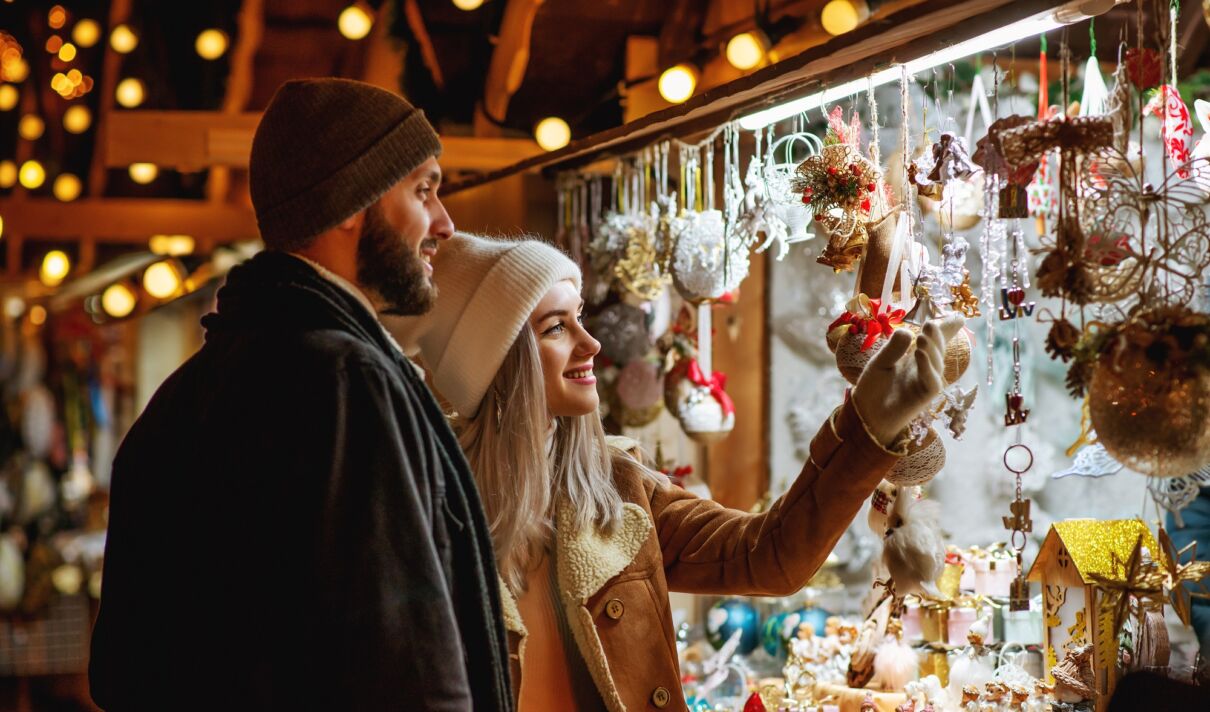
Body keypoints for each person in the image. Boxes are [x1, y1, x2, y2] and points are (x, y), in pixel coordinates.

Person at [391, 233, 963, 712]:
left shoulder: (618, 488)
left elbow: (769, 556)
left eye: (581, 318)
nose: (590, 343)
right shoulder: (425, 510)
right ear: (495, 359)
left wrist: (865, 429)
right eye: (555, 328)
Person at [90, 79, 512, 711]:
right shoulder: (348, 380)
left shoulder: (179, 400)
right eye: (423, 190)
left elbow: (123, 674)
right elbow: (409, 667)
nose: (445, 223)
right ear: (351, 202)